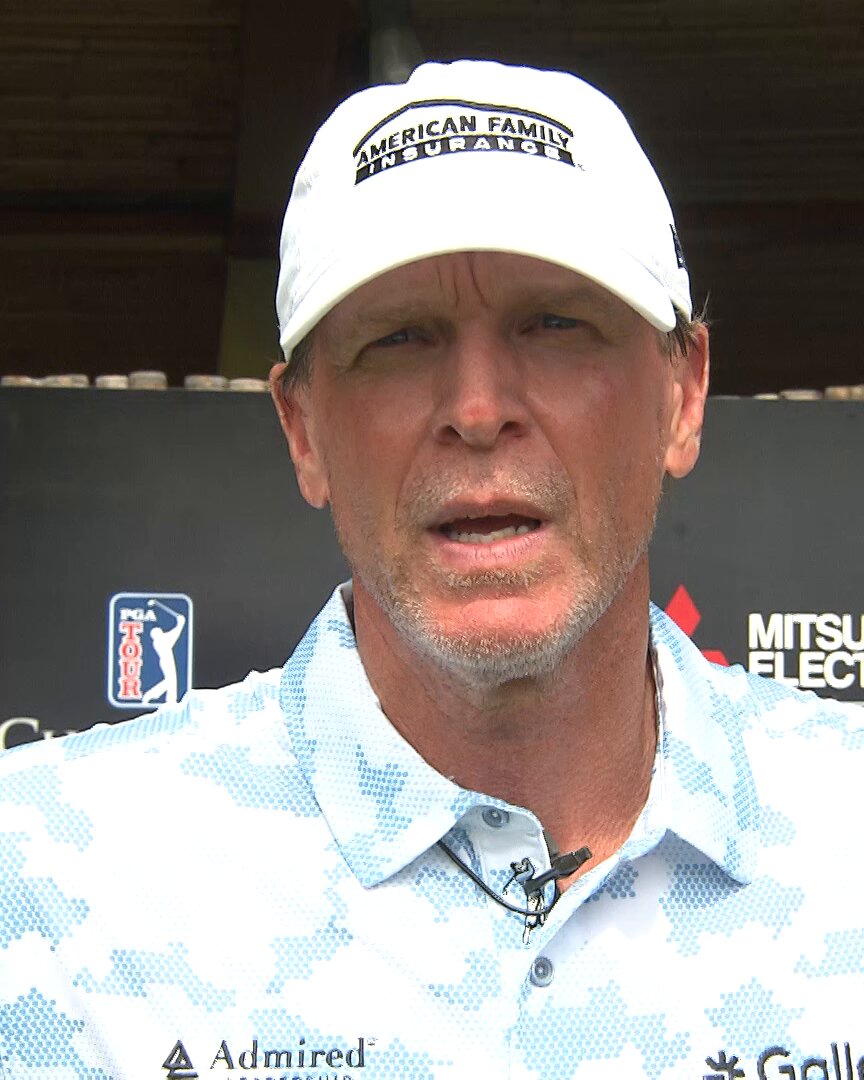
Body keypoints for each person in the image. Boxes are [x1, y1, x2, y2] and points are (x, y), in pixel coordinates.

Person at [0, 60, 861, 1080]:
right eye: (400, 338)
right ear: (303, 429)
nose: (478, 409)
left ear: (683, 395)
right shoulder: (43, 877)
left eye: (556, 323)